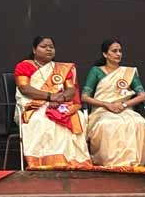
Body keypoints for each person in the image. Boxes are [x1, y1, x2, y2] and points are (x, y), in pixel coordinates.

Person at [14, 36, 93, 169]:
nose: (48, 49)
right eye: (44, 46)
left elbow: (71, 90)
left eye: (51, 47)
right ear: (34, 50)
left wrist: (60, 99)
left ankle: (70, 160)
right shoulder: (24, 66)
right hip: (33, 105)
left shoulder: (62, 68)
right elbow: (25, 88)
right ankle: (46, 162)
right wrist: (50, 97)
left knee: (76, 116)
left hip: (60, 103)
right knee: (43, 120)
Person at [81, 39, 145, 167]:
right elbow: (84, 97)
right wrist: (106, 104)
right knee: (108, 124)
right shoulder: (96, 71)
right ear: (105, 54)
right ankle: (110, 163)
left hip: (125, 109)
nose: (118, 54)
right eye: (114, 51)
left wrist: (124, 105)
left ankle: (133, 164)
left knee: (139, 123)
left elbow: (143, 96)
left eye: (120, 51)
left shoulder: (128, 72)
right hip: (103, 110)